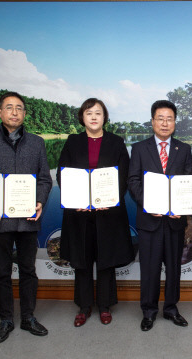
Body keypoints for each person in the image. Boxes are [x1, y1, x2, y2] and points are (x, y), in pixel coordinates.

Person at [0, 92, 52, 343]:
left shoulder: (37, 142)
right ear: (0, 112)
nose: (14, 112)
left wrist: (40, 201)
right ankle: (6, 319)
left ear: (25, 114)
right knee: (2, 272)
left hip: (28, 219)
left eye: (19, 108)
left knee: (28, 269)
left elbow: (45, 179)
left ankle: (28, 317)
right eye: (9, 107)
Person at [56, 98, 135, 327]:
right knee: (81, 261)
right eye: (89, 112)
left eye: (98, 113)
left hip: (108, 213)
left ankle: (105, 305)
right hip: (78, 213)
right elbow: (63, 173)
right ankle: (83, 306)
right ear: (82, 117)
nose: (93, 116)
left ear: (104, 117)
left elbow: (124, 176)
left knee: (106, 261)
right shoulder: (72, 141)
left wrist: (110, 199)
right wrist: (74, 199)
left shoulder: (116, 142)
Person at [128, 100, 192, 331]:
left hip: (175, 222)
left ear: (175, 122)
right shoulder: (139, 148)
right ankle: (149, 311)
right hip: (149, 220)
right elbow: (133, 180)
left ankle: (171, 309)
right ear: (153, 121)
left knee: (174, 268)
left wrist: (181, 207)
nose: (165, 123)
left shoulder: (183, 149)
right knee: (150, 268)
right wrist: (148, 203)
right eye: (160, 118)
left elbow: (187, 182)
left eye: (170, 119)